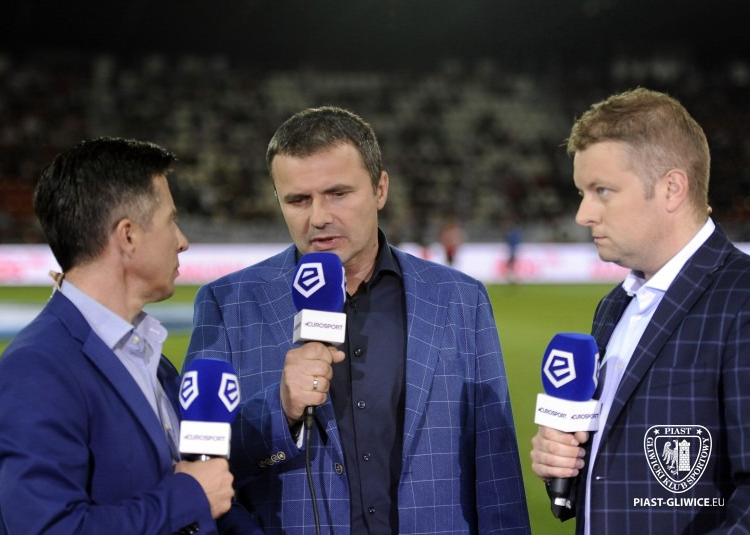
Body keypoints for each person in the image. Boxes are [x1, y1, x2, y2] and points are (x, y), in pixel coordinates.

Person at [184, 106, 530, 534]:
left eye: (338, 194)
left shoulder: (460, 298)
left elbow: (496, 468)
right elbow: (197, 471)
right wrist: (281, 409)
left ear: (380, 189)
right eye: (298, 200)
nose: (318, 217)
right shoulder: (227, 303)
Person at [0, 137, 260, 535]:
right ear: (128, 236)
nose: (182, 241)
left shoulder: (148, 357)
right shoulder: (35, 370)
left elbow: (211, 493)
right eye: (171, 221)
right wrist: (188, 497)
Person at [530, 88, 750, 533]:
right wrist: (565, 463)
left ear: (672, 188)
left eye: (602, 191)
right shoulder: (614, 306)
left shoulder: (743, 300)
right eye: (582, 192)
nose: (583, 214)